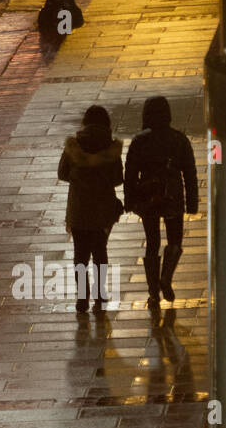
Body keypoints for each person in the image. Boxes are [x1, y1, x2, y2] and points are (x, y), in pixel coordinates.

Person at [124, 95, 198, 306]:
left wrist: (130, 200)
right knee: (175, 240)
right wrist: (192, 203)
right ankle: (166, 277)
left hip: (148, 197)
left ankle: (153, 293)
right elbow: (190, 174)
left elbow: (130, 173)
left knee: (152, 242)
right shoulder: (179, 139)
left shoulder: (140, 141)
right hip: (173, 196)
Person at [57, 105, 123, 315]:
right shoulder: (111, 149)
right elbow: (117, 179)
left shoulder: (74, 146)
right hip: (102, 211)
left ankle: (82, 298)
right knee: (100, 252)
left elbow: (62, 173)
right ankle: (100, 294)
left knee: (80, 255)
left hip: (79, 209)